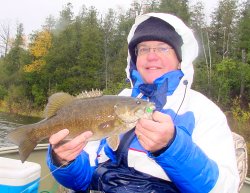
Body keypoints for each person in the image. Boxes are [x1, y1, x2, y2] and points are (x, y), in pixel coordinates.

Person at [47, 13, 240, 193]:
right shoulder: (118, 99)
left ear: (180, 59)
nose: (151, 56)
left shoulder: (203, 110)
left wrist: (171, 147)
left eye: (163, 48)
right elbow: (81, 180)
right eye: (144, 49)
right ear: (135, 58)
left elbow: (225, 188)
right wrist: (63, 160)